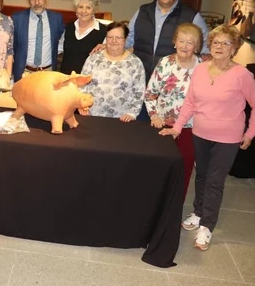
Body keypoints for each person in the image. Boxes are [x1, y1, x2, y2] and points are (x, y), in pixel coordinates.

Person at [160, 24, 255, 251]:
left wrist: (250, 133)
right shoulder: (201, 69)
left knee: (214, 181)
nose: (219, 47)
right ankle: (199, 211)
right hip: (200, 133)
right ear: (209, 46)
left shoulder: (242, 74)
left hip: (227, 138)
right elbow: (190, 102)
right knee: (201, 175)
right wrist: (178, 127)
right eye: (215, 42)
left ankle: (207, 225)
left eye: (226, 43)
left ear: (234, 48)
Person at [145, 23, 203, 198]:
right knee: (160, 167)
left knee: (184, 169)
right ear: (174, 42)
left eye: (190, 42)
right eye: (181, 41)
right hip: (163, 124)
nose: (184, 46)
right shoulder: (164, 63)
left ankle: (176, 205)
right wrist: (154, 115)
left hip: (190, 127)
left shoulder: (203, 68)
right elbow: (150, 94)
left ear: (197, 46)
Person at [127, 0, 209, 81]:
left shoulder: (192, 16)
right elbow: (127, 39)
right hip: (140, 76)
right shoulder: (142, 11)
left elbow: (206, 50)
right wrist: (107, 45)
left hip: (173, 81)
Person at [80, 22, 146, 122]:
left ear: (125, 39)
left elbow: (139, 91)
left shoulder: (135, 62)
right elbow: (82, 84)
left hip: (122, 119)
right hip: (91, 115)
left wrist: (132, 113)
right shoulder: (93, 58)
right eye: (110, 37)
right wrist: (82, 105)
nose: (114, 41)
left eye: (118, 37)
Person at [12, 0, 64, 82]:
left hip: (48, 73)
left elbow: (67, 38)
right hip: (24, 72)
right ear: (28, 0)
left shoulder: (56, 19)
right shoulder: (17, 19)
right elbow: (10, 47)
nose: (37, 3)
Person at [59, 0, 107, 75]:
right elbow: (58, 49)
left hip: (88, 82)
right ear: (76, 10)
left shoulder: (103, 31)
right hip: (66, 79)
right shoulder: (69, 27)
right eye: (80, 7)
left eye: (88, 7)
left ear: (94, 10)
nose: (83, 11)